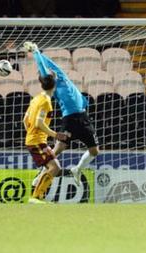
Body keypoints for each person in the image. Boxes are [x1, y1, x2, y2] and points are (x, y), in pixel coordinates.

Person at [25, 42, 99, 187]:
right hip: (69, 119)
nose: (49, 71)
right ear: (48, 79)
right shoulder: (53, 86)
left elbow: (48, 64)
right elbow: (42, 67)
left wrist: (37, 51)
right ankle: (42, 172)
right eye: (46, 73)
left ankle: (77, 169)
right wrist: (35, 52)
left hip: (83, 117)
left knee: (94, 151)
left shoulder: (61, 76)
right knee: (58, 148)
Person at [24, 69, 70, 203]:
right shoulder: (46, 102)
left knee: (52, 167)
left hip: (34, 140)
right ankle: (36, 196)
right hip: (37, 141)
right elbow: (39, 123)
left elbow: (25, 120)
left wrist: (31, 135)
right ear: (54, 86)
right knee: (54, 167)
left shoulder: (36, 99)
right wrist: (56, 135)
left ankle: (38, 195)